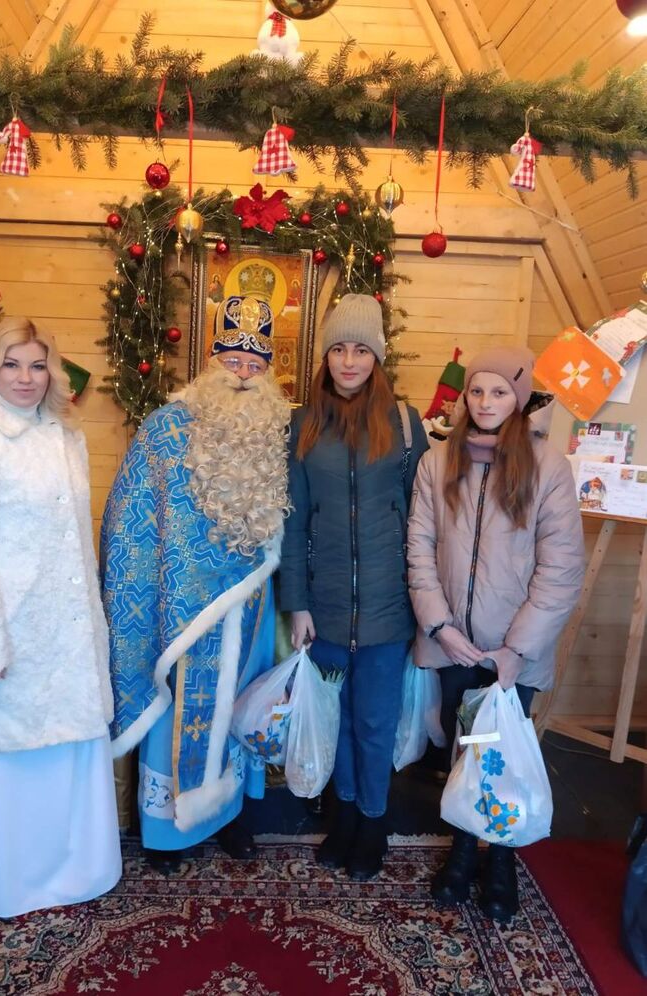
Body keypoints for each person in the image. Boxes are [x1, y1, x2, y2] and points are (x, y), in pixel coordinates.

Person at [0, 317, 122, 918]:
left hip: (70, 632)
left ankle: (80, 871)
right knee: (18, 760)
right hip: (13, 637)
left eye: (37, 365)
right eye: (11, 364)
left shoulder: (66, 438)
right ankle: (23, 882)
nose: (25, 378)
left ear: (52, 373)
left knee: (71, 753)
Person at [101, 295, 290, 872]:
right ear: (211, 362)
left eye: (255, 365)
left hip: (251, 602)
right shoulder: (164, 428)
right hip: (180, 604)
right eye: (232, 362)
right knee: (176, 711)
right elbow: (129, 519)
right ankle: (165, 831)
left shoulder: (278, 427)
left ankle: (232, 819)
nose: (243, 375)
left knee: (241, 707)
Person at [407, 345, 585, 922]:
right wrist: (439, 626)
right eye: (477, 391)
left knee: (502, 753)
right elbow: (419, 549)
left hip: (512, 652)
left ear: (519, 399)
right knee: (462, 750)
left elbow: (561, 569)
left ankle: (502, 858)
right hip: (454, 645)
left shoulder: (548, 468)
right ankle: (462, 851)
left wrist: (517, 649)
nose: (486, 402)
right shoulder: (438, 462)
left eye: (499, 392)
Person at [279, 293, 428, 881]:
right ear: (325, 356)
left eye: (360, 350)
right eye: (338, 349)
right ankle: (342, 815)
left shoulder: (405, 424)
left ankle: (372, 821)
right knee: (334, 719)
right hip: (326, 606)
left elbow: (422, 521)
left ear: (377, 357)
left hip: (390, 607)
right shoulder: (301, 425)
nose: (348, 361)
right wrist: (297, 603)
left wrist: (422, 602)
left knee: (374, 721)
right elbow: (294, 521)